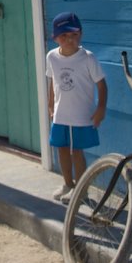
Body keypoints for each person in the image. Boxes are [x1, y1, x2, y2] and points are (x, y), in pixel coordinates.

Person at [46, 11, 107, 203]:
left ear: (80, 34)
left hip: (80, 115)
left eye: (73, 35)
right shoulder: (52, 57)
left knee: (76, 151)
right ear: (55, 37)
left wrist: (101, 109)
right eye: (64, 35)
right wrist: (50, 104)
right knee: (61, 149)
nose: (69, 39)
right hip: (60, 114)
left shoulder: (88, 58)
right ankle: (68, 184)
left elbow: (101, 84)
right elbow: (52, 81)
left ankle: (81, 190)